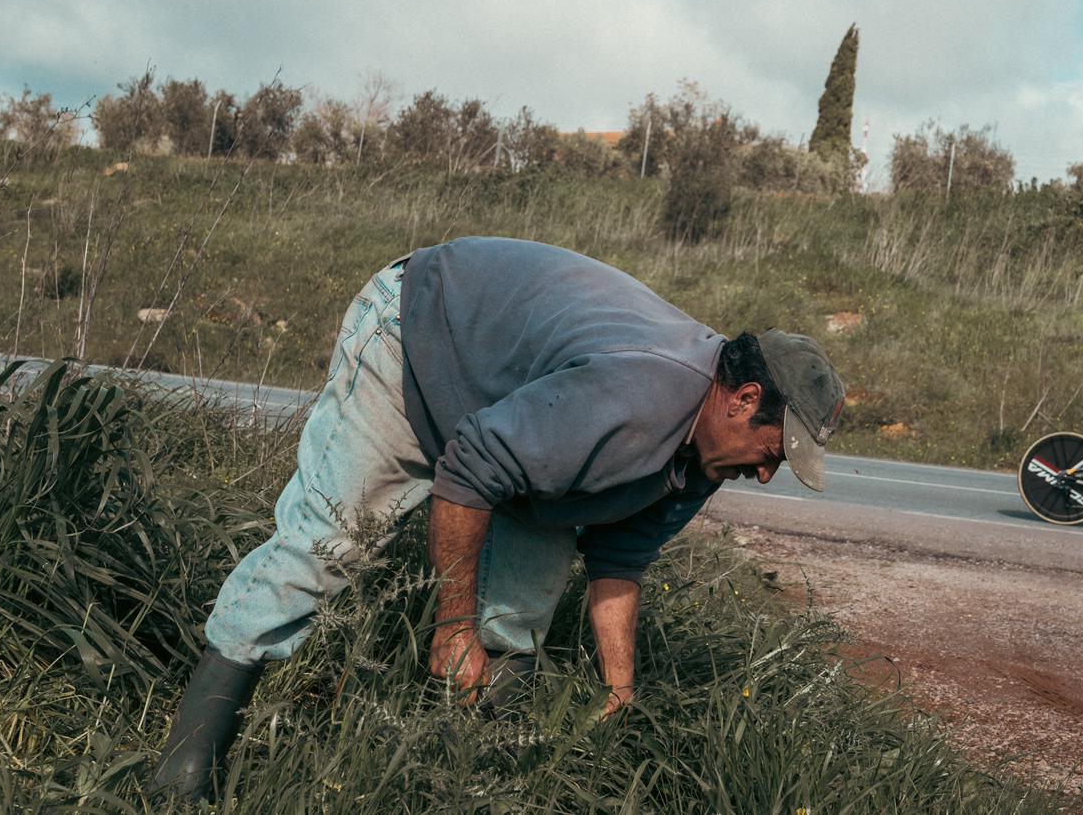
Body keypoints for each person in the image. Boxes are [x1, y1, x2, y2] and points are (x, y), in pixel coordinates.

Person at [149, 237, 846, 800]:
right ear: (742, 397)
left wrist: (621, 690)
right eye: (773, 450)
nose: (764, 471)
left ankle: (465, 778)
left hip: (514, 412)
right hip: (418, 337)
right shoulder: (633, 396)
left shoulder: (708, 454)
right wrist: (451, 627)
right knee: (324, 546)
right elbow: (470, 471)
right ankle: (184, 768)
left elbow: (619, 558)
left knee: (521, 611)